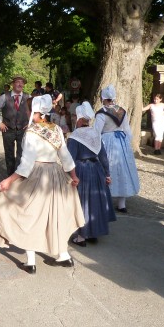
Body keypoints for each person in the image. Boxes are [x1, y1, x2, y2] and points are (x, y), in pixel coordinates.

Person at [0, 94, 84, 272]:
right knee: (55, 214)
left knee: (28, 214)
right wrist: (74, 175)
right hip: (55, 174)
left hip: (37, 175)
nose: (27, 111)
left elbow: (26, 164)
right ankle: (63, 255)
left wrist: (8, 180)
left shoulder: (31, 132)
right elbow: (65, 155)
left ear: (37, 112)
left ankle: (31, 260)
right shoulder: (56, 129)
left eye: (29, 109)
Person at [67, 102, 116, 245]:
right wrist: (107, 174)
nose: (74, 119)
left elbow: (70, 158)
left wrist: (69, 174)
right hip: (96, 169)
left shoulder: (75, 136)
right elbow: (103, 156)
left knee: (83, 202)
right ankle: (93, 233)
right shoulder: (95, 134)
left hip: (81, 169)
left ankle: (82, 236)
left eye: (75, 116)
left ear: (80, 119)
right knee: (95, 201)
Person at [94, 84, 140, 213]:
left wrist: (95, 144)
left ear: (103, 98)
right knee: (122, 170)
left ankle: (105, 202)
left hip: (107, 141)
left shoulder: (102, 113)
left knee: (107, 169)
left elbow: (97, 131)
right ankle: (121, 204)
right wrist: (126, 144)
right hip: (121, 142)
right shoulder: (121, 111)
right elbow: (127, 130)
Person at [0, 75, 31, 176]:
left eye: (22, 82)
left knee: (22, 154)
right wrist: (0, 122)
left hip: (23, 129)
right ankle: (10, 175)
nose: (20, 84)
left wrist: (30, 123)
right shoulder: (5, 96)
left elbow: (36, 111)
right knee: (9, 154)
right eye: (17, 82)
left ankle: (18, 176)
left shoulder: (28, 97)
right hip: (8, 129)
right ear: (13, 84)